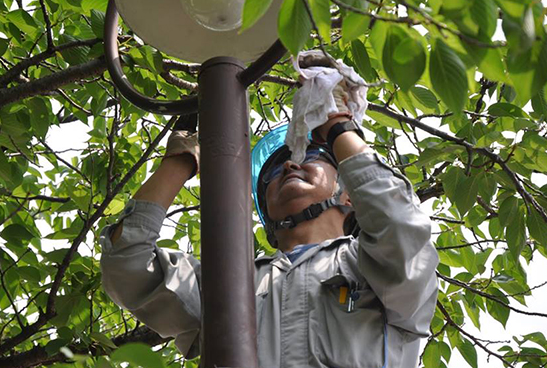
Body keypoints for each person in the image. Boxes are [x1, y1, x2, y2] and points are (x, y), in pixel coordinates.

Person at [99, 92, 439, 367]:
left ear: (349, 194)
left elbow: (401, 224)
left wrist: (337, 126)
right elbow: (125, 263)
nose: (289, 165)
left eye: (310, 156)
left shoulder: (372, 264)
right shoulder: (229, 282)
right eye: (272, 172)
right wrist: (182, 160)